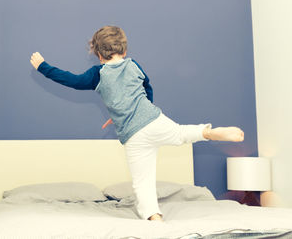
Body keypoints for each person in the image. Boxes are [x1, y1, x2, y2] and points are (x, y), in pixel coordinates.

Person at [29, 25, 244, 222]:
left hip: (133, 136)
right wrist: (132, 111)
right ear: (123, 50)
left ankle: (156, 220)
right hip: (153, 119)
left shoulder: (98, 74)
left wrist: (43, 66)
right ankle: (208, 132)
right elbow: (146, 88)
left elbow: (72, 81)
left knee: (143, 183)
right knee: (180, 134)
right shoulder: (133, 65)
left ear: (98, 54)